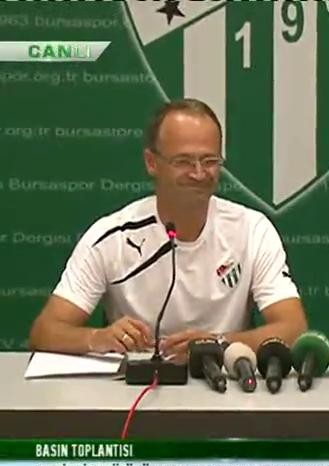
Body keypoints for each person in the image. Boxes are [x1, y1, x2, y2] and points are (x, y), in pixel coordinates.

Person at [29, 98, 308, 361]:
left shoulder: (252, 230)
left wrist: (216, 344)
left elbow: (293, 329)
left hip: (224, 385)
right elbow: (44, 332)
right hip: (131, 388)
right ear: (152, 162)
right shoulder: (112, 236)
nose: (199, 173)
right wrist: (98, 338)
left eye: (210, 161)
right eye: (183, 161)